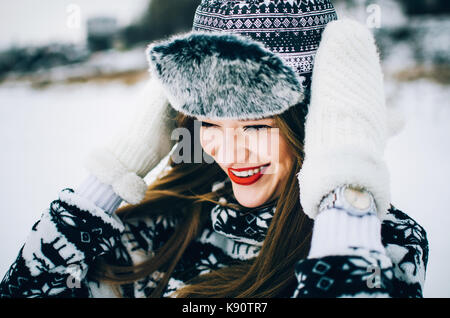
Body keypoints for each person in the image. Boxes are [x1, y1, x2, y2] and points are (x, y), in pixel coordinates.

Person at [0, 0, 428, 298]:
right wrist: (111, 173)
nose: (229, 153)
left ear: (315, 119)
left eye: (257, 125)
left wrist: (346, 187)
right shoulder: (161, 229)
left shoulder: (384, 243)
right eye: (209, 122)